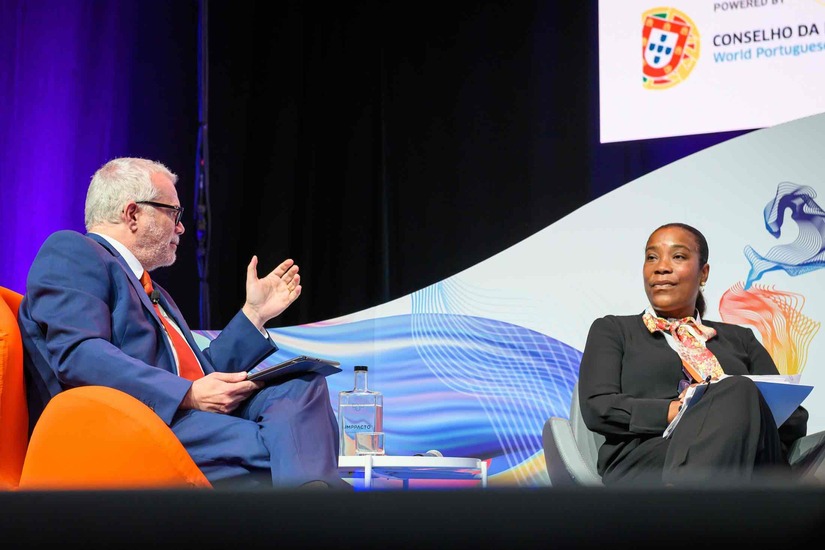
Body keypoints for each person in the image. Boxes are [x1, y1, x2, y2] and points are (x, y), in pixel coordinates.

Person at [18, 157, 347, 490]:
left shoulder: (154, 291)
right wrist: (188, 393)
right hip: (131, 422)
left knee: (301, 387)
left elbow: (202, 375)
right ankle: (315, 507)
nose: (181, 228)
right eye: (173, 213)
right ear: (132, 214)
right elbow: (79, 354)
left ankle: (311, 501)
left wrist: (254, 313)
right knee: (292, 447)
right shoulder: (73, 252)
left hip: (184, 416)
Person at [578, 222, 811, 487]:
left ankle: (692, 505)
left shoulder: (741, 338)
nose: (661, 267)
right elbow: (599, 407)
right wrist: (677, 411)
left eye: (678, 256)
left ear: (703, 273)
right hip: (652, 457)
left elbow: (794, 418)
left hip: (748, 455)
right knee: (736, 393)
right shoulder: (614, 329)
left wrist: (729, 411)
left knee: (738, 390)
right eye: (651, 257)